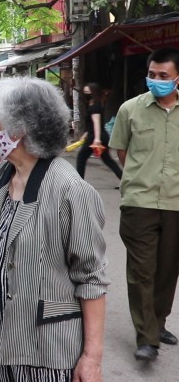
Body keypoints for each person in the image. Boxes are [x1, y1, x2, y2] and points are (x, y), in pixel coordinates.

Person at [0, 76, 108, 381]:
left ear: (20, 129)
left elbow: (91, 278)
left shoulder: (70, 191)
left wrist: (92, 357)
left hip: (48, 353)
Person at [109, 47, 179, 362]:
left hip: (176, 204)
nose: (156, 80)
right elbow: (122, 152)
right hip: (139, 202)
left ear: (177, 78)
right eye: (152, 74)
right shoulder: (130, 110)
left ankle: (157, 323)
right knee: (142, 271)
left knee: (167, 271)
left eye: (163, 76)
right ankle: (146, 337)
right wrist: (140, 177)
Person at [75, 83, 122, 182]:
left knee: (81, 158)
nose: (85, 94)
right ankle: (123, 180)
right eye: (85, 92)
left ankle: (79, 183)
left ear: (93, 93)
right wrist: (85, 134)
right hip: (99, 136)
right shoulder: (95, 105)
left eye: (88, 92)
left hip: (95, 138)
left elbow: (96, 123)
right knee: (108, 160)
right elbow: (92, 124)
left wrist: (96, 139)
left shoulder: (95, 107)